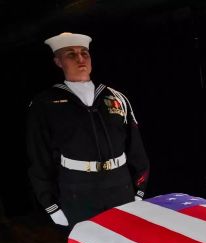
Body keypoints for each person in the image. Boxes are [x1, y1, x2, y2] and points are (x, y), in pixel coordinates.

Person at [27, 32, 150, 229]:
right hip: (78, 189)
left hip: (120, 184)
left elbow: (135, 146)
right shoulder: (45, 103)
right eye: (71, 55)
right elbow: (38, 155)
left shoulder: (116, 97)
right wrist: (50, 205)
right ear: (58, 62)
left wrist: (139, 188)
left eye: (84, 53)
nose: (80, 59)